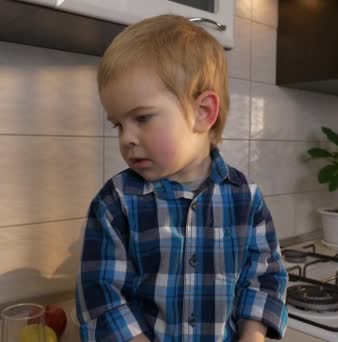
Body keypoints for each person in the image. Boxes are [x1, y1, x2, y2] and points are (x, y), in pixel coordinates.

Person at [75, 14, 288, 342]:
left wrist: (253, 335)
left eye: (142, 118)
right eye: (118, 124)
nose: (126, 138)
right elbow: (102, 296)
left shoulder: (246, 198)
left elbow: (264, 279)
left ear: (203, 112)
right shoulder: (115, 202)